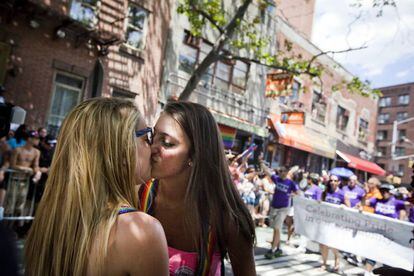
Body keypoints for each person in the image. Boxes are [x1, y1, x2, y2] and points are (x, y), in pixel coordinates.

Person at [25, 98, 169, 276]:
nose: (155, 147)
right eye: (147, 136)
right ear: (123, 150)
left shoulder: (50, 221)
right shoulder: (144, 232)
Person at [143, 101, 256, 275]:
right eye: (153, 136)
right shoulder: (138, 192)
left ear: (195, 155)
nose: (152, 149)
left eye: (166, 142)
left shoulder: (227, 218)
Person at [260, 161, 298, 259]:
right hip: (274, 207)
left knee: (277, 228)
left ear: (286, 172)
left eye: (282, 171)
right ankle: (278, 248)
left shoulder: (290, 183)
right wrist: (261, 162)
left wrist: (292, 195)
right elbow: (267, 171)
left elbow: (297, 193)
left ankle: (272, 250)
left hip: (283, 208)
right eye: (279, 171)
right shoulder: (276, 179)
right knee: (276, 229)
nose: (280, 172)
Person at [320, 174, 344, 272]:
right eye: (331, 180)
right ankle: (324, 263)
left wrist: (343, 206)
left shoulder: (342, 194)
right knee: (323, 243)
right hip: (325, 221)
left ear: (339, 182)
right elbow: (321, 203)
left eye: (335, 181)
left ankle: (337, 258)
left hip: (336, 223)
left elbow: (349, 208)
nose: (333, 182)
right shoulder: (325, 192)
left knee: (333, 244)